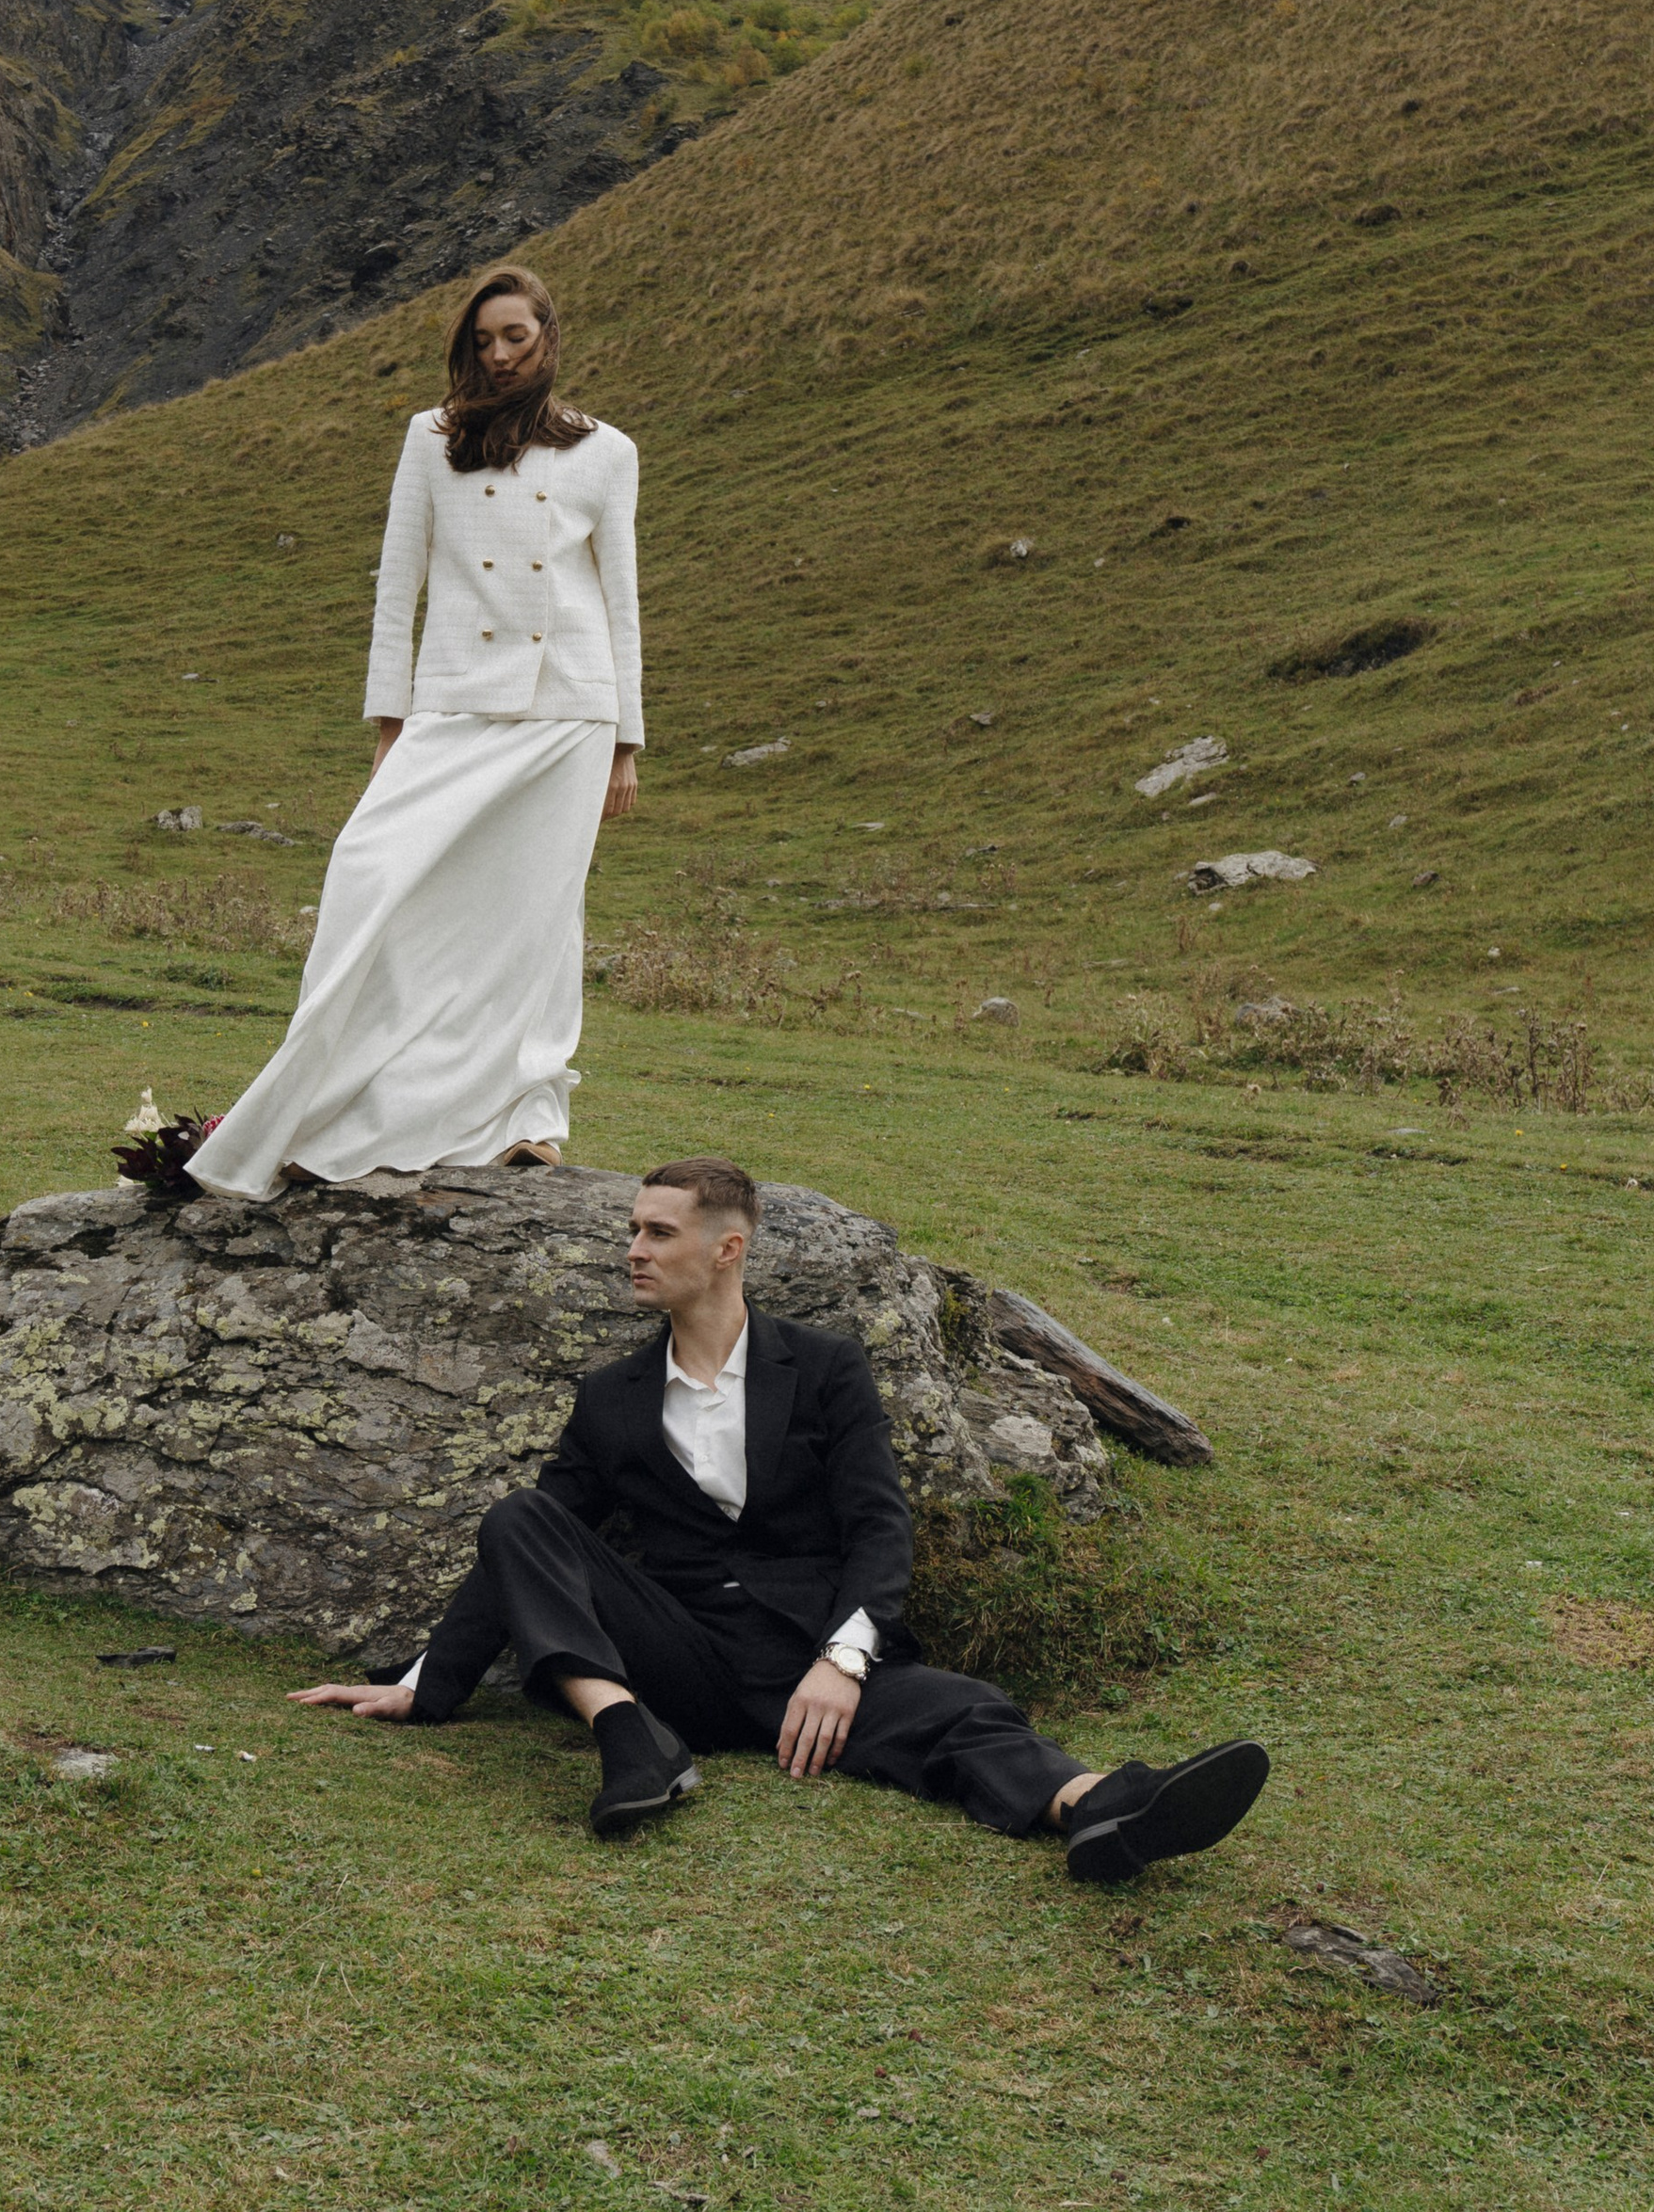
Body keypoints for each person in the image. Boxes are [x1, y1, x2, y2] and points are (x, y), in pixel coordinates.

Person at [291, 1157, 1271, 1879]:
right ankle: (630, 1742)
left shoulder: (827, 1368)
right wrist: (428, 1683)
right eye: (632, 1231)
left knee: (962, 1709)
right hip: (676, 1660)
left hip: (807, 1654)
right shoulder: (612, 1398)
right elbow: (531, 1549)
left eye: (657, 1233)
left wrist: (842, 1665)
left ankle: (1103, 1814)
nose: (633, 1250)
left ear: (728, 1249)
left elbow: (879, 1527)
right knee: (521, 1517)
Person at [189, 264, 640, 1200]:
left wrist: (627, 740)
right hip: (454, 700)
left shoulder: (606, 451)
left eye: (515, 336)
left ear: (549, 335)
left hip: (569, 709)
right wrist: (389, 724)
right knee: (368, 873)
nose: (500, 354)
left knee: (537, 915)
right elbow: (398, 588)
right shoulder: (430, 440)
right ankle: (342, 1102)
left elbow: (620, 598)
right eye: (483, 341)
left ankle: (528, 1119)